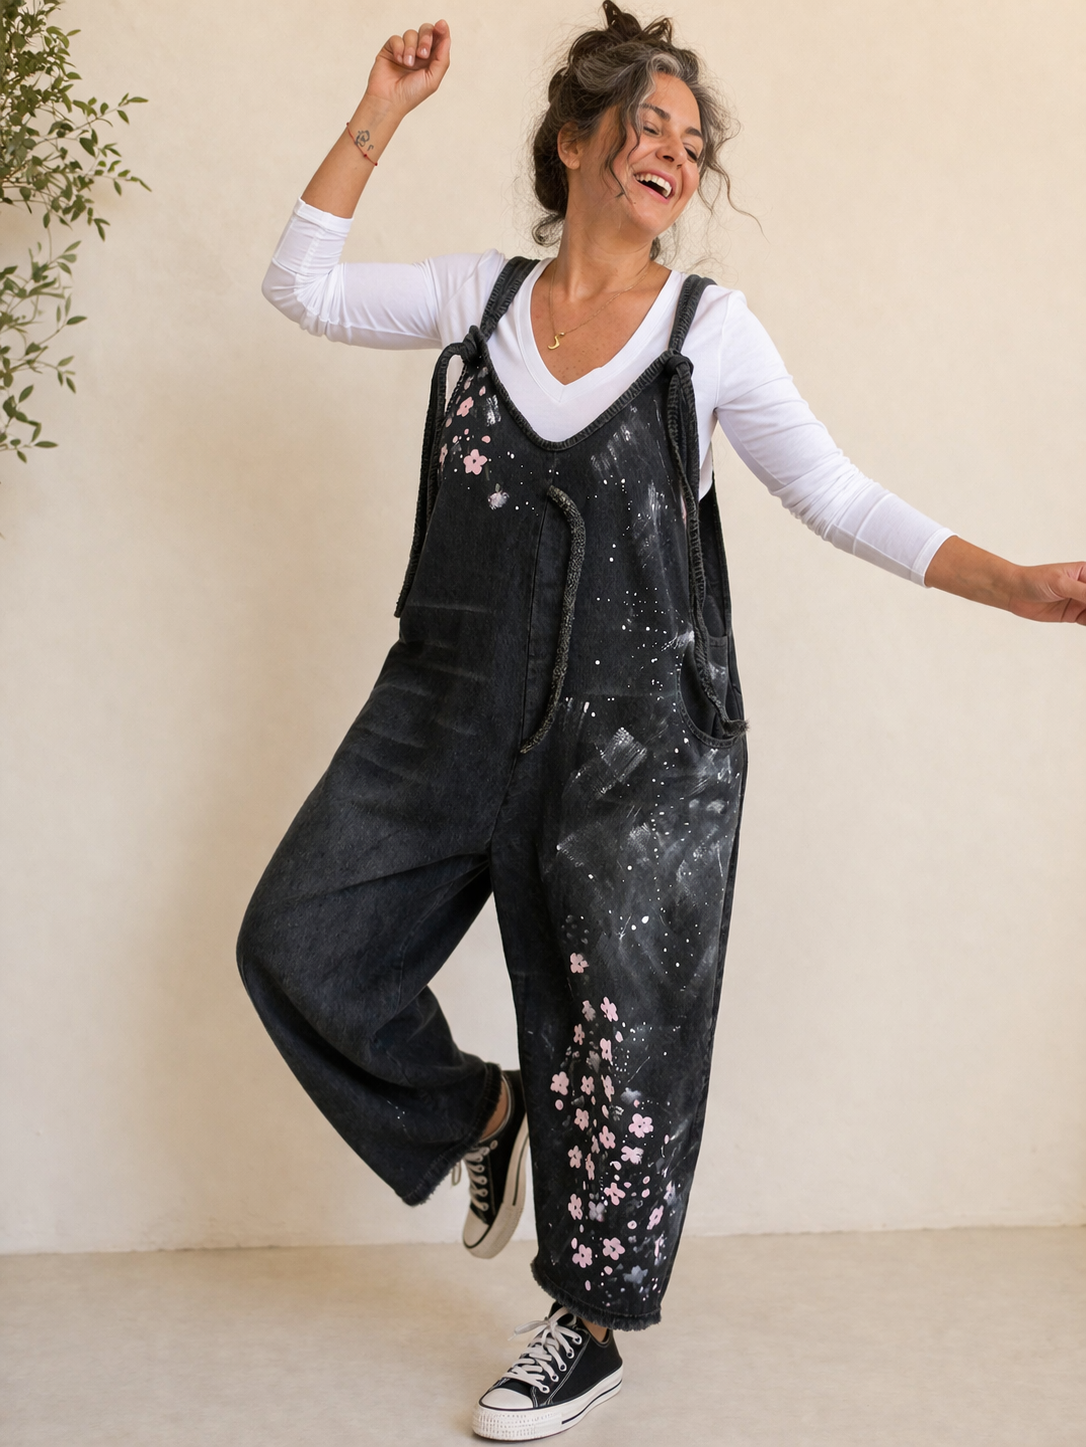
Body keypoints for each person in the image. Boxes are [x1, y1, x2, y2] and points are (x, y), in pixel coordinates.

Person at [238, 6, 1086, 1440]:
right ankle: (481, 1116)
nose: (675, 156)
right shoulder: (478, 300)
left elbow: (834, 493)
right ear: (576, 143)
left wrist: (1012, 583)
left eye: (694, 143)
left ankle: (583, 1328)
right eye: (649, 127)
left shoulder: (710, 334)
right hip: (442, 709)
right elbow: (297, 283)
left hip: (636, 751)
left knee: (617, 1037)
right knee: (298, 942)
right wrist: (383, 107)